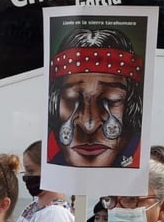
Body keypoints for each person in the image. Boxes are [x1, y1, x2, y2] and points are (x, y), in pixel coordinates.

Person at [47, 28, 143, 168]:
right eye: (72, 99)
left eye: (112, 100)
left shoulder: (148, 170)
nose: (89, 126)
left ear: (132, 107)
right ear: (54, 103)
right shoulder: (41, 163)